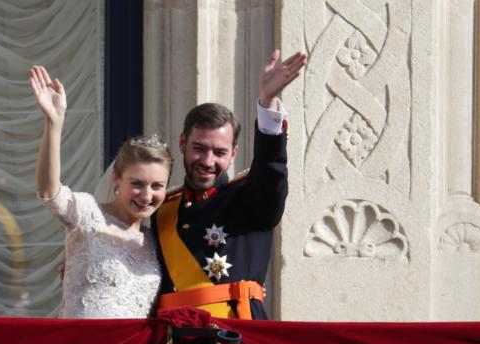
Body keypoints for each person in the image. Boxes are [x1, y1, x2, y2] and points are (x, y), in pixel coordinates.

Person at [153, 49, 307, 320]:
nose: (207, 161)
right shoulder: (162, 209)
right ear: (182, 144)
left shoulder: (250, 198)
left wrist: (267, 102)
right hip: (171, 343)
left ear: (233, 154)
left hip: (234, 338)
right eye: (199, 148)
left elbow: (272, 170)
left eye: (219, 152)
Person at [30, 65, 172, 318]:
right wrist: (54, 122)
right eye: (137, 183)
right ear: (116, 178)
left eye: (157, 186)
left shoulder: (154, 241)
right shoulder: (87, 213)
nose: (147, 196)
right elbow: (49, 191)